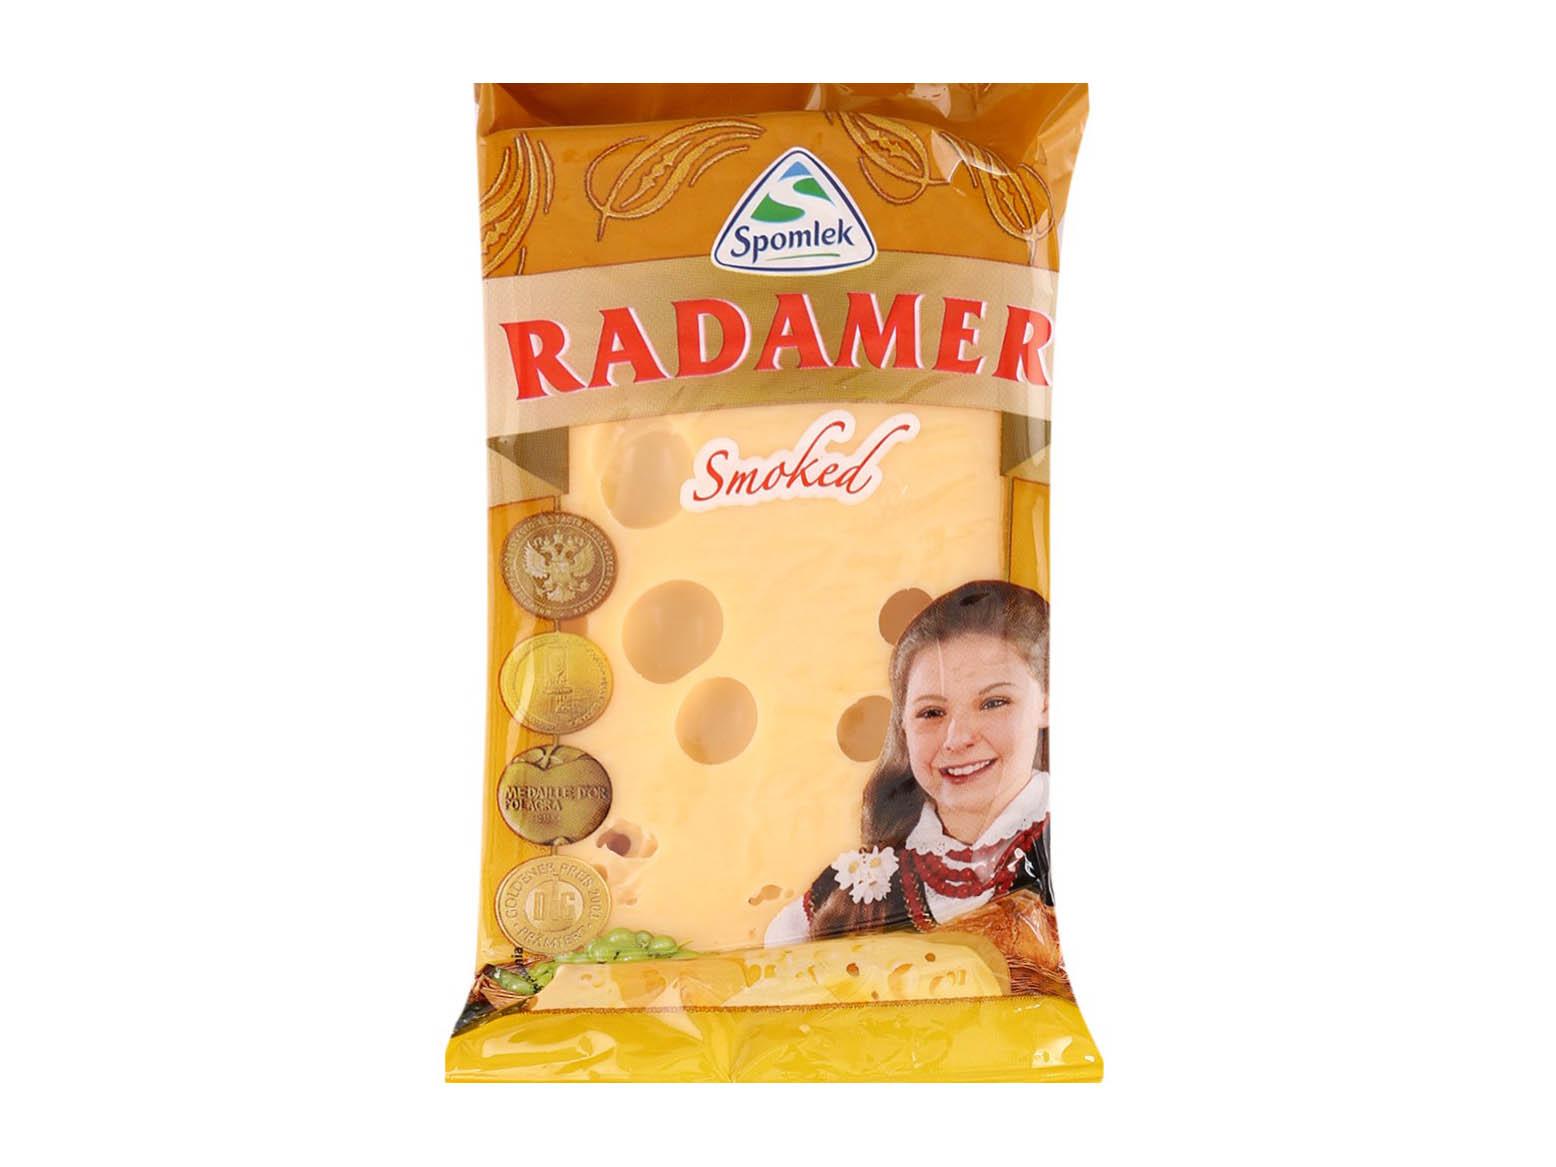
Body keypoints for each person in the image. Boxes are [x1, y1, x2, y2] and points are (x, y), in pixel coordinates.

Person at [764, 580, 1070, 996]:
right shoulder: (851, 891)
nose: (957, 738)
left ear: (1047, 702)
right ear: (903, 724)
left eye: (993, 703)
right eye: (932, 712)